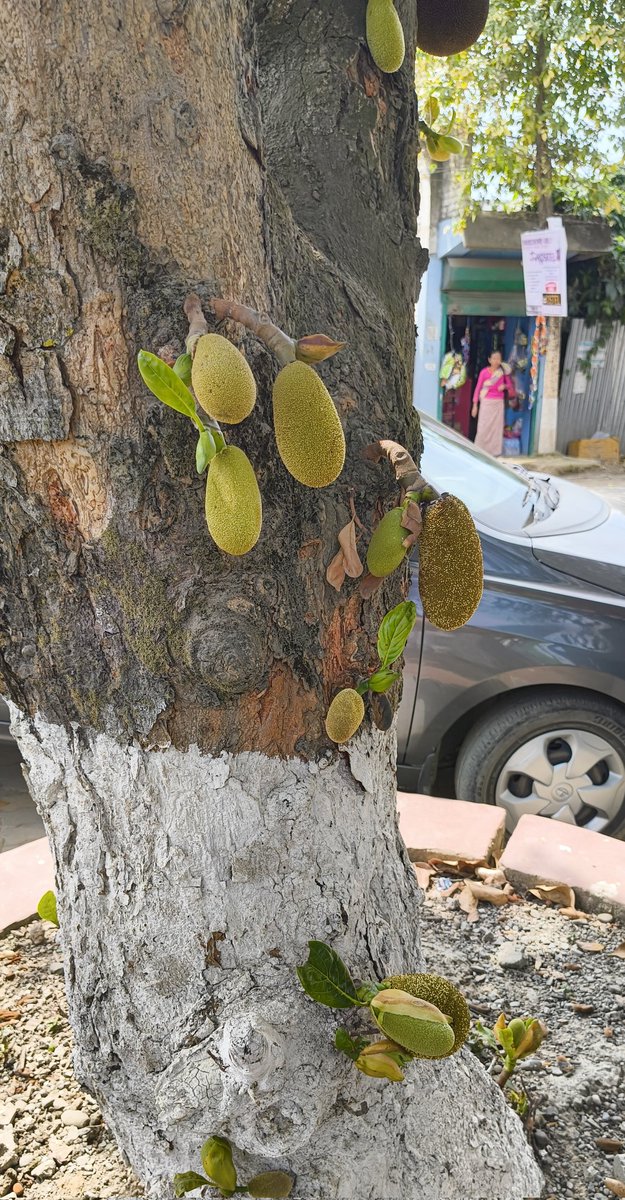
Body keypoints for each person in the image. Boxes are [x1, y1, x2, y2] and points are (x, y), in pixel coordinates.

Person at [471, 350, 516, 456]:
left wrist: (504, 386)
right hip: (486, 403)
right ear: (489, 360)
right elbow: (478, 388)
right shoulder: (484, 372)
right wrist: (474, 405)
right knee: (483, 427)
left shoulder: (503, 373)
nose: (496, 361)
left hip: (498, 404)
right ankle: (480, 450)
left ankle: (495, 453)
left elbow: (510, 386)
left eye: (498, 359)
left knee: (496, 429)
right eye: (494, 358)